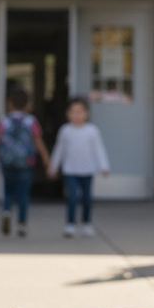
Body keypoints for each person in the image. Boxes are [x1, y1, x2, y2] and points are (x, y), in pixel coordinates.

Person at [48, 96, 111, 237]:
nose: (77, 115)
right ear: (68, 114)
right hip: (70, 170)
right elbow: (59, 150)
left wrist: (104, 166)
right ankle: (70, 224)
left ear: (86, 113)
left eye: (80, 111)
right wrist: (53, 166)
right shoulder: (65, 131)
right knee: (72, 197)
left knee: (87, 198)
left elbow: (99, 149)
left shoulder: (92, 130)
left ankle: (86, 223)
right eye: (73, 112)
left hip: (87, 170)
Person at [0, 86, 50, 237]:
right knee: (23, 194)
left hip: (7, 160)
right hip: (26, 161)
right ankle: (22, 225)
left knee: (8, 190)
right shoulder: (31, 121)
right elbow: (38, 141)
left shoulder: (4, 120)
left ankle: (6, 211)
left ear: (9, 104)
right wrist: (46, 161)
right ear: (28, 104)